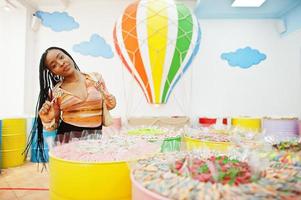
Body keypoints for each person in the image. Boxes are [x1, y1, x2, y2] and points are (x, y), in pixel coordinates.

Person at [24, 46, 116, 163]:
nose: (61, 63)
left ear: (67, 55)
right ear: (52, 72)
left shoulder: (95, 78)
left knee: (93, 174)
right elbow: (53, 126)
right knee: (74, 178)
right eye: (54, 65)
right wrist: (47, 119)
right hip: (67, 142)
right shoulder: (56, 92)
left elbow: (108, 104)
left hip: (95, 139)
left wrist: (111, 100)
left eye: (61, 57)